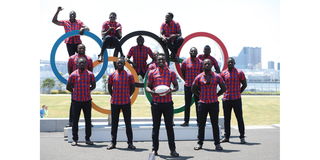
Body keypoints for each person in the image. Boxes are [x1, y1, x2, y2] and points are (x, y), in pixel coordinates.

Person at [146, 54, 180, 157]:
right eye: (159, 59)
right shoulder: (152, 73)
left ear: (165, 61)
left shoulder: (171, 72)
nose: (160, 61)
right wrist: (152, 91)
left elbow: (176, 86)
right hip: (156, 104)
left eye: (162, 59)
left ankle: (173, 150)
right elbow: (147, 86)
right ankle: (154, 149)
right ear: (156, 61)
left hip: (168, 104)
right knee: (155, 127)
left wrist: (171, 90)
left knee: (169, 127)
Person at [192, 59, 226, 151]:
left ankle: (217, 144)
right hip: (202, 104)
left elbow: (223, 88)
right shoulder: (199, 77)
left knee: (215, 124)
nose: (207, 65)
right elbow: (193, 89)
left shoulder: (217, 76)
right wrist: (200, 95)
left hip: (213, 103)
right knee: (201, 124)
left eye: (209, 64)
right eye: (205, 64)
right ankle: (200, 143)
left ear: (212, 65)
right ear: (203, 66)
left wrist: (217, 95)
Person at [106, 57, 136, 150]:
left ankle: (130, 143)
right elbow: (110, 87)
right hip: (115, 102)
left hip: (126, 102)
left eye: (121, 63)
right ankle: (113, 142)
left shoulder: (129, 75)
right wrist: (114, 95)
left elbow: (132, 88)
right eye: (118, 63)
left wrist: (127, 95)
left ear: (124, 64)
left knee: (128, 123)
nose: (119, 64)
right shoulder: (112, 75)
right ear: (116, 64)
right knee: (114, 124)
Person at [67, 57, 96, 146]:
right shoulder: (73, 75)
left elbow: (93, 85)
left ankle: (88, 139)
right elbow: (68, 87)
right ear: (77, 64)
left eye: (84, 63)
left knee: (88, 120)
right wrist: (75, 92)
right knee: (75, 121)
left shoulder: (90, 74)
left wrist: (88, 90)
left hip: (87, 101)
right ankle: (75, 139)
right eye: (80, 63)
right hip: (76, 101)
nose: (82, 64)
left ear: (86, 64)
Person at [220, 57, 247, 144]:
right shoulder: (223, 73)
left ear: (234, 63)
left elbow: (244, 84)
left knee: (239, 118)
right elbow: (221, 85)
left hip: (236, 99)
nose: (230, 63)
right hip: (226, 99)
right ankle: (226, 137)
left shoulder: (239, 72)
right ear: (227, 63)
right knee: (227, 119)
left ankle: (242, 137)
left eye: (232, 62)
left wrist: (239, 92)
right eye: (229, 62)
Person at [66, 44, 93, 127]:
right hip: (75, 84)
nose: (81, 49)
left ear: (85, 49)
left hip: (85, 85)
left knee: (87, 105)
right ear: (77, 49)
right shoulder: (71, 58)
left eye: (83, 48)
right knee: (73, 104)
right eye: (80, 48)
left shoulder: (89, 59)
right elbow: (70, 71)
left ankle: (88, 123)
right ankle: (71, 122)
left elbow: (90, 71)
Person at [180, 47, 202, 127]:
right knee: (187, 104)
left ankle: (199, 121)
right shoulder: (185, 62)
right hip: (188, 85)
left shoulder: (200, 62)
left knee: (198, 104)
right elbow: (183, 72)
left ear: (197, 53)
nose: (193, 52)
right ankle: (186, 121)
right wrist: (187, 80)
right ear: (189, 52)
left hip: (197, 86)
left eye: (195, 51)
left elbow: (202, 73)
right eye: (192, 51)